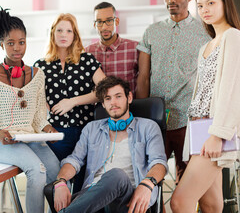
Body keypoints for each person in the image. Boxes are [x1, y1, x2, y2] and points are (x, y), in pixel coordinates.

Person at [0, 7, 60, 213]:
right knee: (37, 170)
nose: (17, 48)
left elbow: (40, 113)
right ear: (1, 44)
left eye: (21, 42)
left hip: (30, 137)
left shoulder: (38, 75)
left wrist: (47, 128)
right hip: (0, 142)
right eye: (10, 43)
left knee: (56, 171)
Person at [171, 0, 240, 213]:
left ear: (224, 4)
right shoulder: (206, 46)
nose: (205, 10)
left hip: (215, 129)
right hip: (198, 126)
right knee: (210, 204)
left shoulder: (234, 37)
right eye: (200, 6)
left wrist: (218, 134)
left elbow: (232, 90)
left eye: (211, 3)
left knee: (179, 201)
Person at [52, 76, 168, 213]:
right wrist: (60, 181)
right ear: (103, 104)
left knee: (116, 175)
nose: (113, 102)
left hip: (129, 199)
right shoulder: (91, 129)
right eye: (108, 98)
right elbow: (74, 160)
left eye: (118, 96)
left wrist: (148, 183)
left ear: (129, 98)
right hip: (92, 197)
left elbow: (159, 162)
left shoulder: (148, 127)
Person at [136, 0, 211, 184]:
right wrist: (141, 117)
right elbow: (143, 77)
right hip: (155, 119)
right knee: (148, 177)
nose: (172, 0)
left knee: (185, 178)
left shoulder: (205, 32)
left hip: (188, 118)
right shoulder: (152, 31)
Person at [34, 13, 106, 162]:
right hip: (53, 132)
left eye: (69, 31)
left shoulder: (87, 60)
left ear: (75, 35)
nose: (63, 35)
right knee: (55, 180)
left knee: (81, 181)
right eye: (59, 30)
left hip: (85, 131)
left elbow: (104, 90)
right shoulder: (40, 65)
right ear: (53, 33)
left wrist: (72, 101)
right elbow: (33, 97)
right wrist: (41, 104)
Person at [85, 2, 139, 94]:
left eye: (109, 21)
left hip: (130, 107)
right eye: (99, 22)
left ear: (116, 21)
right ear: (94, 25)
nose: (104, 27)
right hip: (98, 107)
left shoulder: (135, 48)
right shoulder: (88, 52)